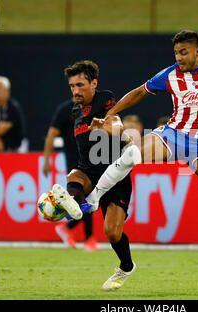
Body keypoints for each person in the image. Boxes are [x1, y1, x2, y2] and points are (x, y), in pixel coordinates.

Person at [80, 30, 198, 268]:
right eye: (176, 53)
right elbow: (139, 93)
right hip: (173, 135)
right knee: (131, 154)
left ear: (197, 51)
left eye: (183, 52)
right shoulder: (169, 75)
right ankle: (94, 198)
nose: (179, 57)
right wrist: (110, 114)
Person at [50, 60, 135, 290]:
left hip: (115, 174)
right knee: (74, 176)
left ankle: (126, 266)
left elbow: (117, 127)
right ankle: (73, 205)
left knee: (112, 232)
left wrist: (105, 127)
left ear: (93, 83)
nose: (75, 91)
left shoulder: (104, 98)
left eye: (80, 85)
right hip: (88, 170)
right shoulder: (75, 109)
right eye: (71, 86)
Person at [42, 98, 98, 251]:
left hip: (93, 159)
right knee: (87, 196)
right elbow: (51, 134)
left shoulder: (95, 106)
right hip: (75, 162)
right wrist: (46, 160)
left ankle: (68, 228)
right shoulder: (65, 109)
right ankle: (88, 238)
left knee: (90, 198)